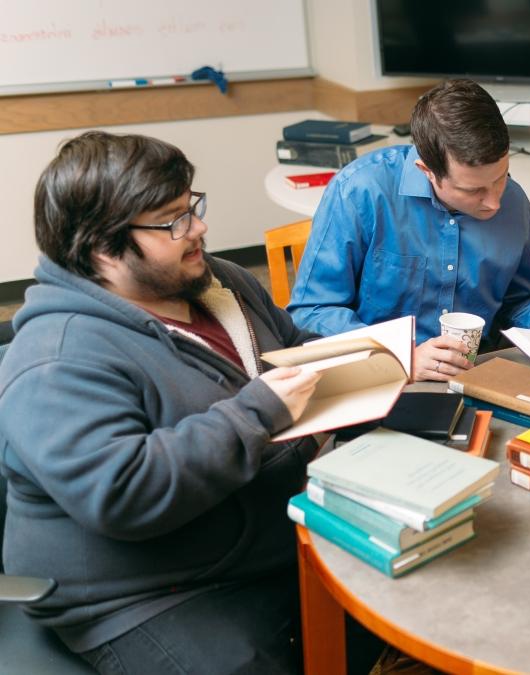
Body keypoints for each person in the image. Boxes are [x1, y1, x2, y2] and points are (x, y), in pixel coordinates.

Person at [0, 131, 323, 673]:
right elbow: (123, 491)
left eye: (191, 206)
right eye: (172, 221)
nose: (197, 228)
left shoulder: (220, 283)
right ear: (104, 247)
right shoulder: (56, 359)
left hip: (264, 542)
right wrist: (257, 413)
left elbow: (290, 347)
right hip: (144, 595)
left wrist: (363, 360)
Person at [288, 79, 530, 382]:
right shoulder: (360, 191)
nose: (494, 203)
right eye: (473, 190)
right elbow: (311, 311)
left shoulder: (513, 201)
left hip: (476, 372)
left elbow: (518, 299)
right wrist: (400, 356)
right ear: (427, 171)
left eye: (500, 178)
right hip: (380, 376)